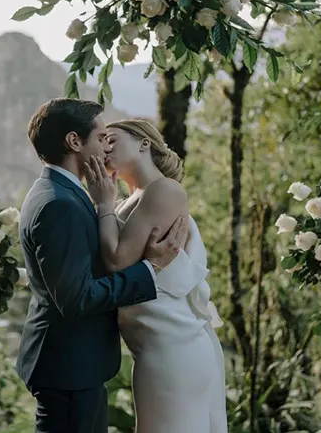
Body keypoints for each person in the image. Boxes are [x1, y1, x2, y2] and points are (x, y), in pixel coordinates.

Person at [16, 98, 192, 433]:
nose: (106, 148)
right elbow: (77, 298)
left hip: (69, 363)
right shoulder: (60, 204)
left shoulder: (58, 192)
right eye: (100, 138)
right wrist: (151, 269)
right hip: (69, 367)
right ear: (74, 141)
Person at [84, 118, 227, 433]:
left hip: (173, 345)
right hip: (151, 345)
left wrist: (103, 203)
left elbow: (119, 262)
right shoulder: (130, 200)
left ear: (144, 143)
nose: (104, 147)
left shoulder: (164, 190)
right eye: (100, 141)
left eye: (111, 139)